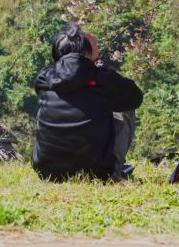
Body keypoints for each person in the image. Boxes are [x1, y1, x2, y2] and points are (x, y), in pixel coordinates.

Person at [32, 24, 143, 182]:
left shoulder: (45, 78)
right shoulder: (103, 78)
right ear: (86, 51)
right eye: (94, 43)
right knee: (124, 110)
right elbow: (135, 98)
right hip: (97, 174)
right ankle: (115, 172)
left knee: (49, 107)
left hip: (47, 172)